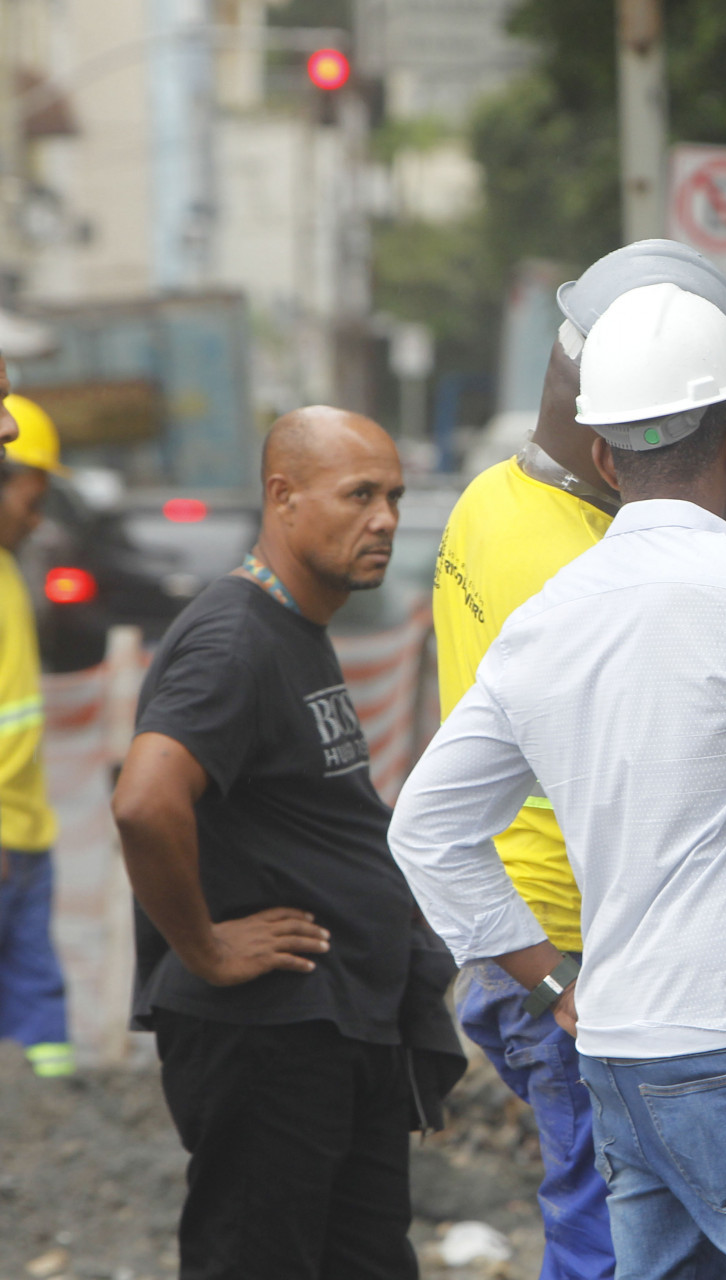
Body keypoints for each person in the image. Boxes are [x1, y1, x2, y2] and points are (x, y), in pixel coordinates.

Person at [390, 281, 726, 1280]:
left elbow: (425, 826)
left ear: (604, 456)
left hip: (619, 1051)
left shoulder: (547, 618)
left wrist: (549, 979)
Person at [432, 240, 726, 1280]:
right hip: (573, 953)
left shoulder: (490, 499)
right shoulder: (590, 569)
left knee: (631, 1216)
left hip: (515, 937)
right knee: (611, 1229)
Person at [111, 407, 465, 1280]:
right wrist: (207, 946)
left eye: (393, 496)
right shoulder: (233, 639)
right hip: (267, 1037)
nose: (383, 518)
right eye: (358, 496)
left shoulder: (292, 631)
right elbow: (146, 803)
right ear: (284, 497)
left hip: (334, 1028)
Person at [0, 392, 75, 1079]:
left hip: (24, 834)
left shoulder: (8, 569)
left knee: (36, 998)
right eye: (33, 492)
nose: (37, 512)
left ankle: (56, 1119)